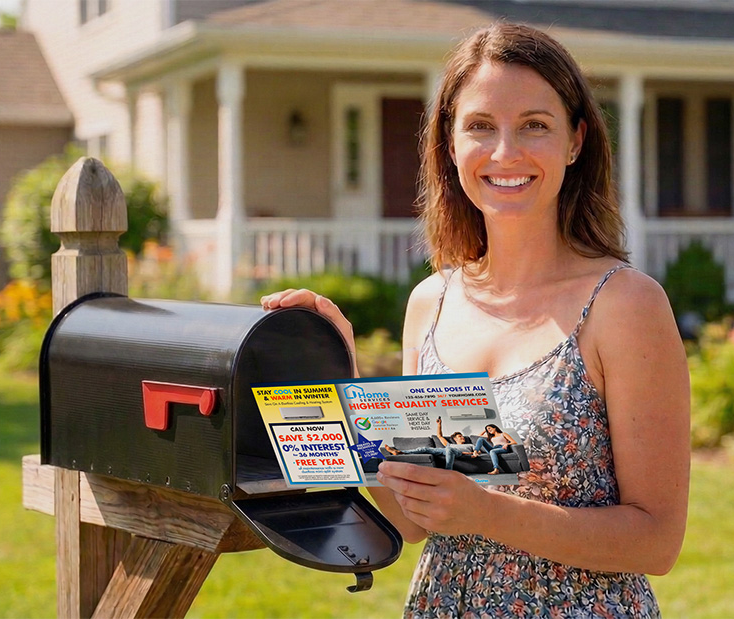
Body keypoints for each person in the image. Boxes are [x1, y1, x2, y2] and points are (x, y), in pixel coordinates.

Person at [260, 22, 690, 618]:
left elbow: (657, 539)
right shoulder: (430, 303)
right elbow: (410, 520)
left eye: (535, 125)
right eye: (480, 126)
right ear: (450, 144)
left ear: (575, 141)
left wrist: (488, 512)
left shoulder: (624, 304)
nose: (505, 152)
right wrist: (343, 375)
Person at [383, 416, 474, 470]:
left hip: (458, 453)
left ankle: (448, 471)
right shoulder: (450, 444)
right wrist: (439, 424)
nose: (462, 437)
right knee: (425, 449)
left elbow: (477, 452)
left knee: (449, 449)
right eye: (459, 436)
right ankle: (400, 452)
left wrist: (467, 452)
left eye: (462, 436)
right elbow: (439, 436)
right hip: (446, 450)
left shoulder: (469, 445)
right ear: (455, 439)